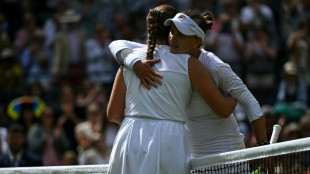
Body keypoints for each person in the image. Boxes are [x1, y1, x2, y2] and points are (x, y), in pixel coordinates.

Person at [109, 9, 268, 158]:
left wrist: (263, 147)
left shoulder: (215, 66)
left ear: (197, 41)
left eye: (182, 35)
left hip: (226, 155)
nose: (173, 38)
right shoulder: (168, 57)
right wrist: (134, 62)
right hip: (191, 158)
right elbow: (117, 44)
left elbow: (250, 102)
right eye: (172, 31)